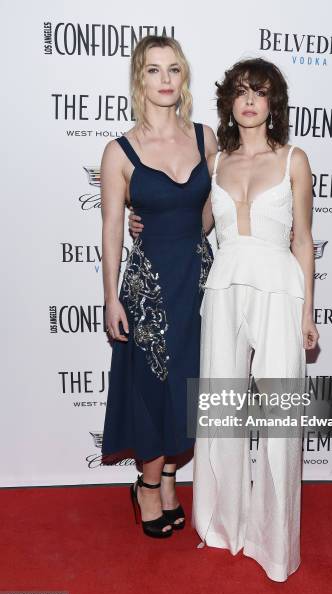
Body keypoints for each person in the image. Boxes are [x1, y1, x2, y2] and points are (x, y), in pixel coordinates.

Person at [129, 57, 319, 579]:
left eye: (260, 91)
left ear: (273, 102)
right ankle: (221, 524)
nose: (250, 100)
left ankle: (273, 544)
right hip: (222, 288)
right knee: (220, 415)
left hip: (278, 289)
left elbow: (303, 240)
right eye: (240, 92)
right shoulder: (216, 160)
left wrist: (308, 311)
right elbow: (193, 219)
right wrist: (141, 214)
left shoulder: (294, 160)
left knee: (279, 419)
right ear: (230, 104)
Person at [101, 35, 216, 538]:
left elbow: (211, 217)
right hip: (148, 285)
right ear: (139, 79)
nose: (165, 79)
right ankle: (147, 486)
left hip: (197, 277)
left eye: (173, 69)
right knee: (152, 386)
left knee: (192, 383)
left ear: (183, 76)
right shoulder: (119, 151)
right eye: (153, 70)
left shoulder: (207, 137)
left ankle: (169, 475)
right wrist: (109, 298)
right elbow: (109, 229)